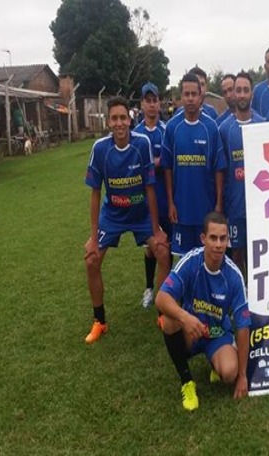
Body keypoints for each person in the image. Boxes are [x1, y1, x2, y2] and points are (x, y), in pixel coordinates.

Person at [83, 96, 170, 344]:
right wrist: (93, 236)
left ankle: (162, 313)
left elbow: (150, 188)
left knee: (163, 252)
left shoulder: (142, 144)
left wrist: (156, 229)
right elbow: (95, 193)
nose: (120, 123)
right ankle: (100, 321)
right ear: (108, 122)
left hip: (141, 214)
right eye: (115, 118)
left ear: (130, 120)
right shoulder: (100, 148)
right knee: (91, 260)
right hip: (112, 215)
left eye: (123, 117)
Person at [156, 212, 250, 411]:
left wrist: (242, 376)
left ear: (228, 240)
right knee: (169, 320)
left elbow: (243, 326)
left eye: (223, 239)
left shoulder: (233, 276)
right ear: (203, 239)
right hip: (191, 330)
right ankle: (187, 382)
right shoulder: (191, 262)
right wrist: (185, 317)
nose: (218, 244)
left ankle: (216, 363)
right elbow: (161, 298)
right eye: (213, 238)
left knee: (229, 373)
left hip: (216, 334)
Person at [161, 73, 226, 256]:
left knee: (207, 256)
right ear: (181, 97)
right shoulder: (172, 127)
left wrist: (219, 204)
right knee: (182, 260)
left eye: (194, 94)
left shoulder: (211, 127)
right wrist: (171, 203)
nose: (190, 98)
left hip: (205, 209)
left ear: (201, 97)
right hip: (181, 209)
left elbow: (219, 168)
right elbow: (167, 168)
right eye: (186, 94)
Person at [219, 71, 265, 277]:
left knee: (260, 255)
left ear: (252, 94)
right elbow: (221, 172)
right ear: (234, 94)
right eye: (239, 90)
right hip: (235, 207)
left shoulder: (264, 125)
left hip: (262, 207)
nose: (242, 94)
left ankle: (260, 300)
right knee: (237, 255)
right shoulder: (224, 129)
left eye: (246, 90)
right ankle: (242, 297)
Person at [133, 82, 171, 309]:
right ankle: (149, 288)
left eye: (154, 100)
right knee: (151, 248)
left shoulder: (166, 131)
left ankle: (167, 293)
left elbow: (168, 164)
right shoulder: (135, 134)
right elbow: (133, 166)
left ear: (159, 102)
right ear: (142, 104)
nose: (151, 104)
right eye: (147, 100)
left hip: (165, 199)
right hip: (145, 202)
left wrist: (153, 163)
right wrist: (152, 164)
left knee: (167, 246)